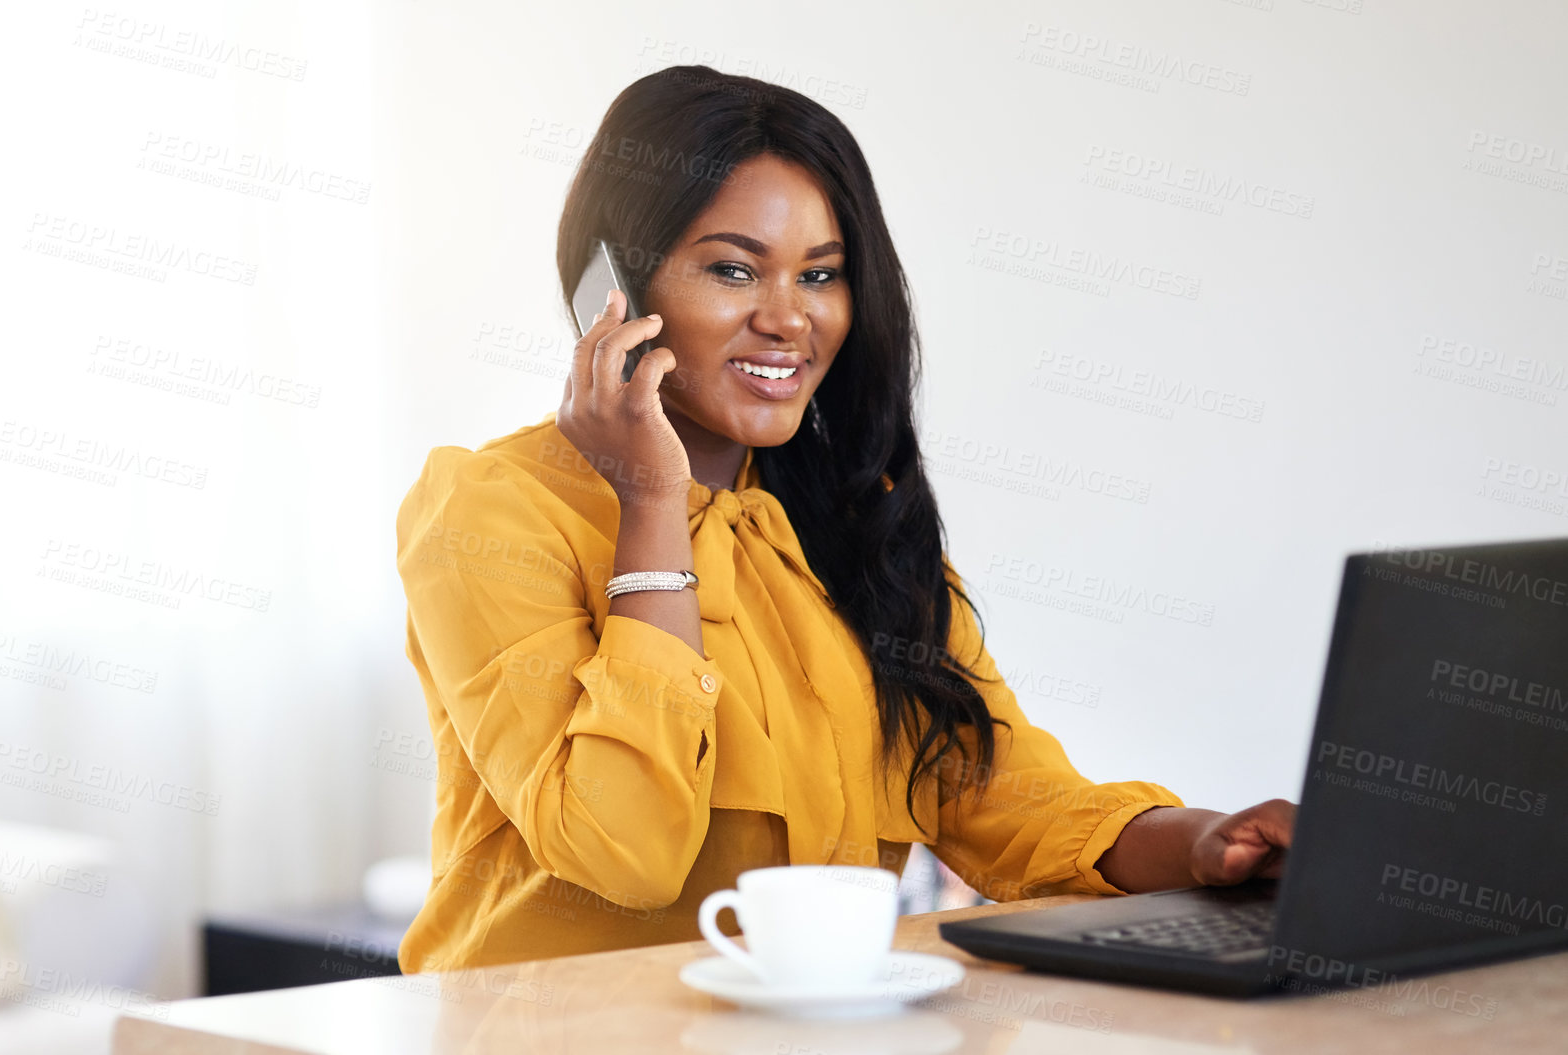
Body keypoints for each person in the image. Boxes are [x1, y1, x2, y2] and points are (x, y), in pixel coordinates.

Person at [392, 65, 1293, 974]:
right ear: (614, 286)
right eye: (734, 269)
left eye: (820, 275)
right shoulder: (490, 508)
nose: (789, 319)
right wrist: (653, 500)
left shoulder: (853, 523)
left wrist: (1203, 842)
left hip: (805, 1030)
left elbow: (1001, 792)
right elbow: (620, 847)